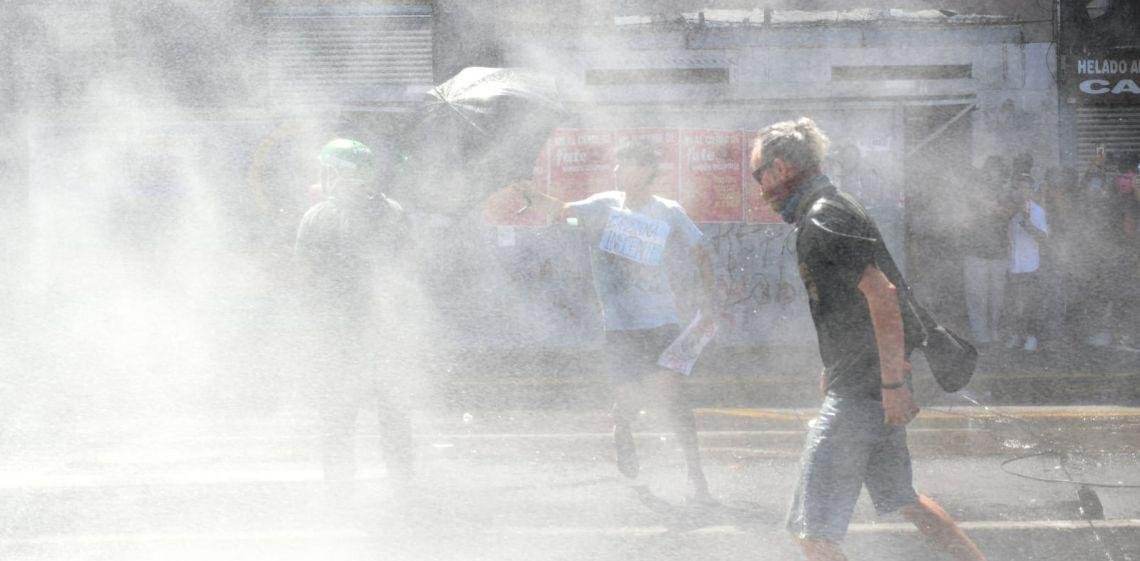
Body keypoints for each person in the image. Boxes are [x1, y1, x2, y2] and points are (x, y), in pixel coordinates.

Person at [748, 117, 987, 561]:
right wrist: (838, 367)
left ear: (780, 169)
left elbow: (883, 295)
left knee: (813, 534)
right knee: (905, 500)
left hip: (863, 393)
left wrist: (892, 386)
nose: (758, 186)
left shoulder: (822, 218)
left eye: (758, 173)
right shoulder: (833, 206)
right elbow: (850, 306)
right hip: (867, 384)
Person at [507, 139, 720, 503]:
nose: (618, 171)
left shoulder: (668, 211)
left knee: (674, 400)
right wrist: (531, 193)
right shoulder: (603, 206)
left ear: (647, 171)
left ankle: (697, 479)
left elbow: (700, 249)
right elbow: (562, 211)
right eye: (617, 165)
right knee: (628, 402)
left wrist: (709, 300)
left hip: (662, 325)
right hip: (621, 329)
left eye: (627, 165)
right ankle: (622, 433)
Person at [295, 138, 414, 487]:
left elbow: (305, 280)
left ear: (337, 174)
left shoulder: (317, 217)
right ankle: (402, 479)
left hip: (338, 333)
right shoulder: (394, 212)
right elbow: (409, 268)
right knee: (393, 412)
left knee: (337, 415)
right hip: (386, 330)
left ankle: (339, 483)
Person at [961, 156, 1017, 347]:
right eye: (991, 170)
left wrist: (989, 206)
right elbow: (963, 218)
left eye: (998, 170)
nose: (994, 174)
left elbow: (1008, 212)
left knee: (997, 299)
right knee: (977, 297)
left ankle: (994, 332)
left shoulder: (1007, 192)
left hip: (999, 252)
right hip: (975, 252)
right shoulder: (973, 192)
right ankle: (980, 335)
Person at [1004, 174, 1049, 352]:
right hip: (1013, 267)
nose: (1022, 192)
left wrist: (1027, 224)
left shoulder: (1038, 211)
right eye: (1019, 188)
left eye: (1026, 188)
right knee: (1014, 305)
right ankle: (1017, 335)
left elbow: (1044, 237)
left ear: (1031, 191)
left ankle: (1031, 337)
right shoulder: (1011, 212)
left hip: (1030, 266)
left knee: (1029, 305)